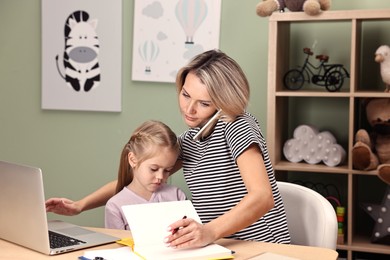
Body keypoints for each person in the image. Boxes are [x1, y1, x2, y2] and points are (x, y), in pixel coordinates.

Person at [46, 49, 291, 248]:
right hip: (219, 246)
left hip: (261, 246)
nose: (189, 109)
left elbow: (262, 197)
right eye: (185, 95)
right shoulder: (192, 139)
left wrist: (209, 231)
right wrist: (80, 205)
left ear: (224, 101)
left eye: (204, 103)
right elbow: (141, 177)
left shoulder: (237, 126)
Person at [105, 120, 187, 230]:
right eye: (154, 169)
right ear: (133, 160)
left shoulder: (177, 196)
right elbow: (116, 246)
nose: (160, 176)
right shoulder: (115, 206)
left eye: (167, 170)